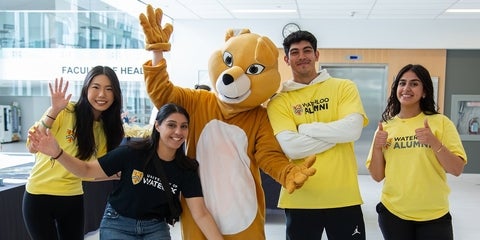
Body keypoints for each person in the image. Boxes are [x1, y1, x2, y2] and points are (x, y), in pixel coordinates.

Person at [28, 103, 224, 240]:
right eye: (171, 125)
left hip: (155, 227)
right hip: (117, 223)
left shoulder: (186, 169)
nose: (178, 132)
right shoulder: (132, 153)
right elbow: (87, 170)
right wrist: (58, 153)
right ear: (157, 126)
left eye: (184, 127)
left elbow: (201, 214)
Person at [266, 30, 369, 240]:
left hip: (343, 196)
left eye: (307, 50)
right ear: (286, 59)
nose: (302, 56)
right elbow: (292, 147)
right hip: (300, 196)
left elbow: (353, 130)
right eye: (295, 52)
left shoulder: (343, 87)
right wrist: (337, 135)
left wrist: (305, 129)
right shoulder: (279, 100)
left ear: (316, 55)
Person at [366, 64, 467, 240]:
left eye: (414, 84)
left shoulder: (440, 122)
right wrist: (376, 147)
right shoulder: (386, 127)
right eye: (402, 83)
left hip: (434, 215)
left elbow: (456, 169)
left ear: (425, 91)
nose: (406, 88)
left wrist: (434, 142)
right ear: (396, 89)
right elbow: (377, 176)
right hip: (394, 213)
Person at [23, 66, 125, 240]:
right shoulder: (65, 111)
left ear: (115, 95)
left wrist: (115, 175)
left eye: (109, 89)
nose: (102, 94)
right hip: (38, 196)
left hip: (72, 198)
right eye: (96, 87)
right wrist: (54, 110)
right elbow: (32, 146)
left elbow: (87, 172)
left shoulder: (105, 130)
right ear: (86, 89)